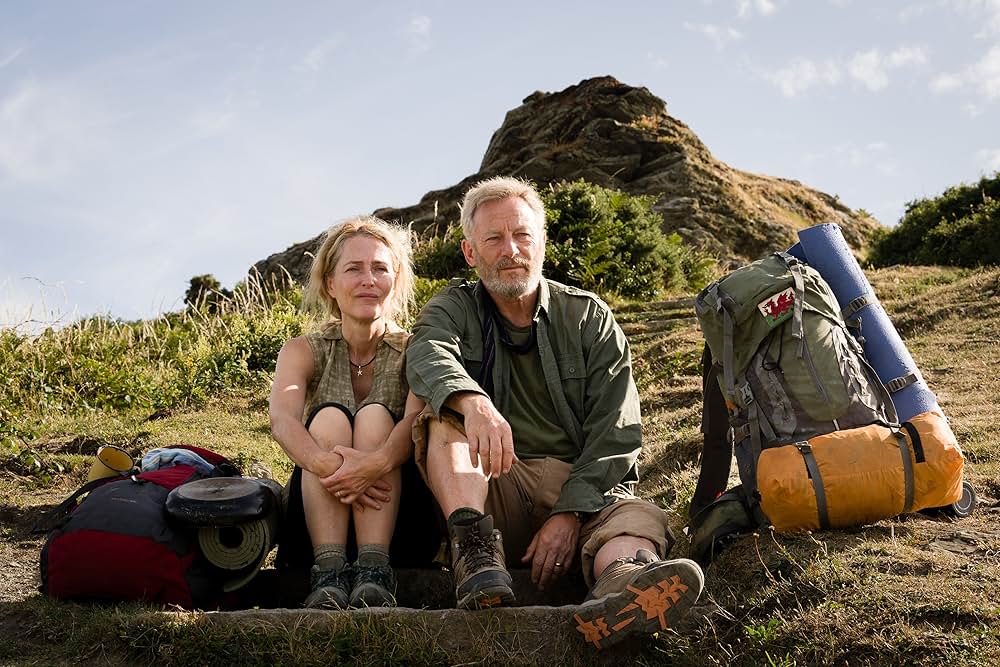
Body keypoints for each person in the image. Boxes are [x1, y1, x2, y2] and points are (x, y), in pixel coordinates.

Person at [406, 176, 705, 649]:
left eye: (522, 235)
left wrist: (568, 513)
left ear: (542, 242)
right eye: (494, 239)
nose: (511, 250)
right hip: (494, 484)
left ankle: (621, 589)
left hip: (582, 489)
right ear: (470, 253)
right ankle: (477, 556)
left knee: (632, 520)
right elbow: (425, 352)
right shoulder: (454, 306)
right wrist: (474, 402)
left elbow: (617, 431)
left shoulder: (588, 317)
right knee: (442, 420)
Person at [269, 216, 437, 609]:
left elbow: (413, 422)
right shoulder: (303, 349)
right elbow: (283, 421)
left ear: (395, 279)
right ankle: (328, 572)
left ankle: (375, 571)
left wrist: (374, 465)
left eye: (380, 268)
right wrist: (334, 468)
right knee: (328, 418)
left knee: (377, 418)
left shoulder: (415, 349)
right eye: (354, 268)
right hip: (318, 520)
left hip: (400, 523)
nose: (368, 279)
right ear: (330, 283)